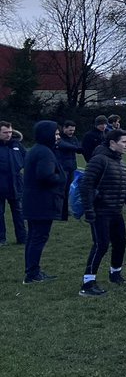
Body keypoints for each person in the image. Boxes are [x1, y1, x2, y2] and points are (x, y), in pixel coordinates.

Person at [78, 128, 126, 296]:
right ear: (112, 143)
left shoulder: (120, 163)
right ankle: (87, 284)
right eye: (124, 142)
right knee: (101, 245)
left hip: (116, 212)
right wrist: (89, 210)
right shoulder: (99, 160)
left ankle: (115, 273)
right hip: (101, 212)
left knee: (121, 242)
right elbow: (86, 186)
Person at [22, 120, 65, 284]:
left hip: (33, 201)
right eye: (55, 133)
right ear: (47, 134)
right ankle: (32, 274)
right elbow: (45, 175)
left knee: (33, 237)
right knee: (38, 237)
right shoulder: (44, 152)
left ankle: (32, 271)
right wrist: (61, 178)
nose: (58, 136)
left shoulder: (36, 150)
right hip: (42, 202)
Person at [0, 120, 26, 246]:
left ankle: (22, 238)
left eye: (10, 132)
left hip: (16, 183)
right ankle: (1, 239)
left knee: (19, 212)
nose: (8, 134)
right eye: (5, 132)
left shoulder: (16, 145)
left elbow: (26, 159)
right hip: (1, 184)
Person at [56, 120, 83, 221]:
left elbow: (78, 147)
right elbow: (64, 146)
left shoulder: (74, 138)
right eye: (70, 130)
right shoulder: (59, 138)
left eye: (73, 130)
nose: (72, 132)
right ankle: (59, 213)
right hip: (62, 168)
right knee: (61, 191)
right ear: (64, 128)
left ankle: (65, 212)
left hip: (71, 168)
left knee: (68, 192)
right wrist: (76, 148)